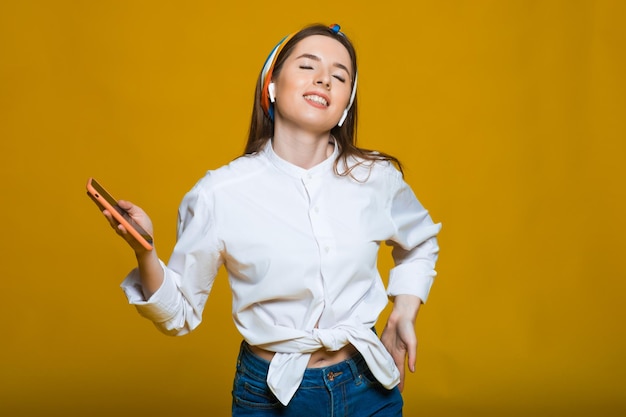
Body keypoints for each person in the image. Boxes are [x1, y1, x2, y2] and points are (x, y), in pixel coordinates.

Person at [102, 23, 441, 416]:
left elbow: (420, 243)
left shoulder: (376, 178)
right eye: (307, 66)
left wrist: (403, 311)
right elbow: (178, 315)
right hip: (269, 395)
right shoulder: (220, 193)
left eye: (339, 75)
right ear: (272, 86)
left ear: (346, 102)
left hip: (369, 386)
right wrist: (145, 252)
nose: (323, 79)